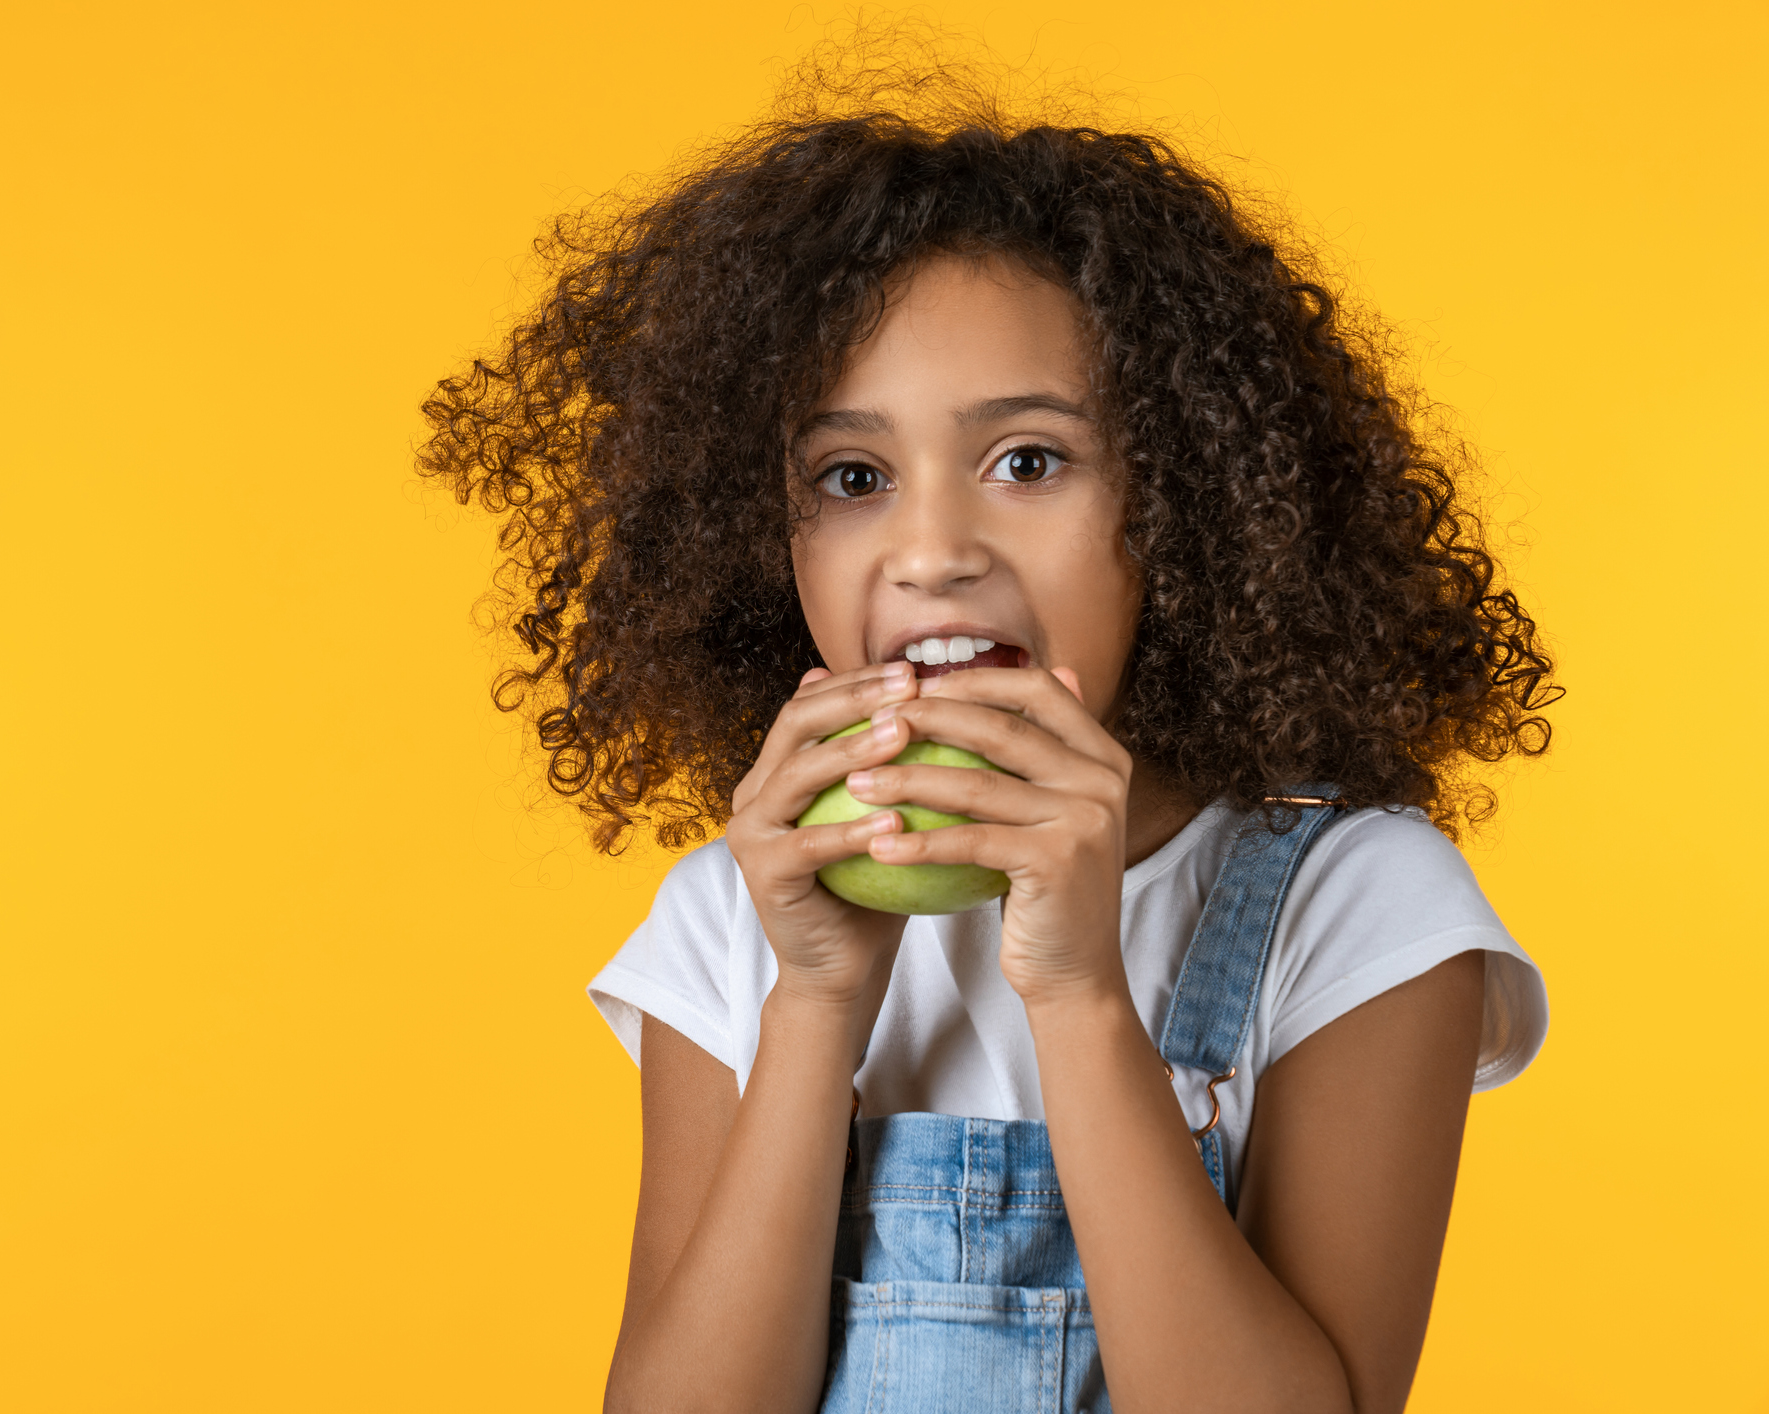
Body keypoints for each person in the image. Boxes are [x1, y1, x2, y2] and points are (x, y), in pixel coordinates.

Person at [419, 71, 1557, 1414]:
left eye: (1027, 460)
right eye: (853, 478)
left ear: (1181, 500)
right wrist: (814, 1005)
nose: (932, 554)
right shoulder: (735, 919)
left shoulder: (1358, 909)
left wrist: (1078, 995)